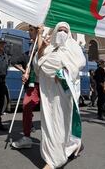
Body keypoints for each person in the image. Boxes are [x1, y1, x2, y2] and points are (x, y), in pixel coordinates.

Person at [34, 22, 85, 169]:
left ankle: (54, 161)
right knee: (50, 124)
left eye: (65, 30)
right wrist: (41, 43)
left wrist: (64, 70)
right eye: (60, 30)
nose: (62, 33)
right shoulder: (49, 47)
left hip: (65, 94)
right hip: (49, 94)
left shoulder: (73, 46)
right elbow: (38, 64)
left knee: (62, 124)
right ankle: (64, 150)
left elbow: (79, 63)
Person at [11, 24, 41, 149]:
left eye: (31, 30)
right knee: (27, 107)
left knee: (51, 112)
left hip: (46, 85)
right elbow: (14, 61)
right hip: (33, 85)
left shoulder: (44, 46)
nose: (29, 32)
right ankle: (27, 137)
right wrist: (25, 71)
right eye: (29, 30)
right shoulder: (27, 53)